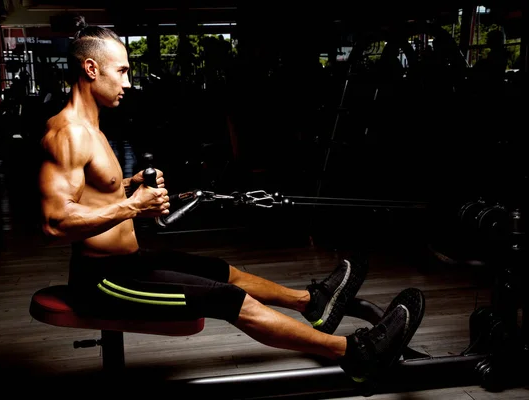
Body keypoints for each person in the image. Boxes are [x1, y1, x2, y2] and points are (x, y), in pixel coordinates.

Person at [37, 16, 425, 384]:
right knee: (231, 300)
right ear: (91, 70)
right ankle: (358, 354)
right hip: (104, 282)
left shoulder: (91, 127)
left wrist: (126, 184)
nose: (129, 81)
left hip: (128, 263)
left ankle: (312, 302)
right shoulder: (67, 133)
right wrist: (134, 205)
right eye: (121, 71)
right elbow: (55, 222)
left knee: (221, 271)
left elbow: (88, 194)